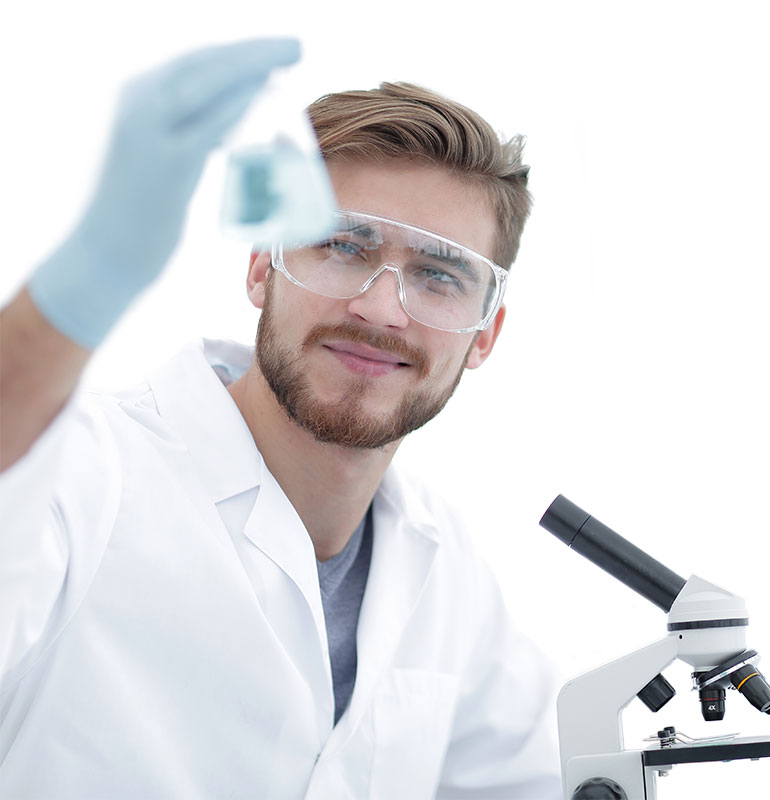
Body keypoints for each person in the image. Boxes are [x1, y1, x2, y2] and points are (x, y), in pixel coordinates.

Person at [0, 38, 561, 799]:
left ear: (484, 335)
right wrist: (85, 281)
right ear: (262, 265)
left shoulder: (446, 570)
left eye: (439, 275)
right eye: (342, 245)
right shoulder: (89, 473)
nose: (380, 307)